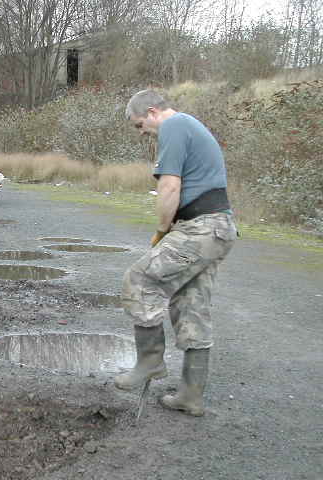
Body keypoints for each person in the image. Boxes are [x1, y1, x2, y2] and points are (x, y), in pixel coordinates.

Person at [115, 90, 237, 416]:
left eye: (140, 125)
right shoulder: (188, 126)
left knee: (139, 280)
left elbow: (169, 187)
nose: (142, 132)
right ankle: (190, 396)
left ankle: (150, 362)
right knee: (191, 304)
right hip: (217, 227)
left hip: (200, 227)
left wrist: (162, 230)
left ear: (153, 112)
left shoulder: (174, 126)